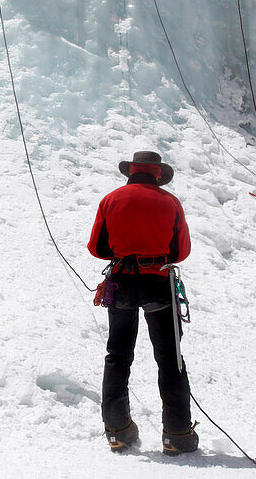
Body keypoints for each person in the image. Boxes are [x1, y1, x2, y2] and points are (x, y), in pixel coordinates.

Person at [87, 150, 199, 455]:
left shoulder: (111, 199)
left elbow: (97, 247)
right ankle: (177, 433)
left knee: (118, 356)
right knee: (169, 358)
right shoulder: (170, 202)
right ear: (157, 175)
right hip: (158, 282)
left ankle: (117, 430)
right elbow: (180, 252)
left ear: (131, 172)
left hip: (121, 281)